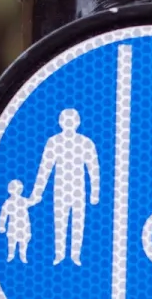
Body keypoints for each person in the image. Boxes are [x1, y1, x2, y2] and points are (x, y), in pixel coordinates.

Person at [29, 108, 100, 265]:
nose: (69, 123)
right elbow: (45, 168)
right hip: (60, 189)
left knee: (78, 222)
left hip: (79, 189)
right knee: (59, 221)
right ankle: (59, 254)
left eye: (72, 120)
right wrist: (37, 192)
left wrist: (95, 193)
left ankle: (76, 256)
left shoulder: (85, 143)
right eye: (65, 120)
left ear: (77, 122)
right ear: (61, 122)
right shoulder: (54, 142)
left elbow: (93, 169)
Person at [0, 180, 34, 262]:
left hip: (24, 226)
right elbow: (3, 214)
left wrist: (36, 198)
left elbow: (31, 202)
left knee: (23, 242)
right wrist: (1, 226)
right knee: (12, 241)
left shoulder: (22, 201)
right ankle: (11, 256)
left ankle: (22, 256)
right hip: (13, 227)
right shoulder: (8, 202)